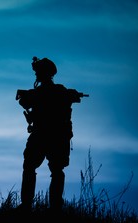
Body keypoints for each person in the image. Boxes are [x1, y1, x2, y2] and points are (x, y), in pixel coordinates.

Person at [16, 56, 88, 211]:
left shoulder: (43, 93)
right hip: (56, 137)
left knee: (34, 167)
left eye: (38, 72)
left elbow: (25, 101)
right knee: (55, 170)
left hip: (44, 136)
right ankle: (54, 207)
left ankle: (28, 206)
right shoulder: (60, 92)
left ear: (44, 73)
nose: (36, 75)